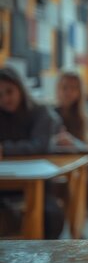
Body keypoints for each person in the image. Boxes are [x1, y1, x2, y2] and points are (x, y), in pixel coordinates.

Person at [0, 67, 65, 239]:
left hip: (39, 185)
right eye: (0, 95)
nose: (5, 99)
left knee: (50, 217)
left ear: (20, 88)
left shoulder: (40, 112)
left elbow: (39, 146)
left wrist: (3, 149)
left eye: (9, 91)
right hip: (4, 185)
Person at [54, 71, 88, 215]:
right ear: (58, 89)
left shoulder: (84, 116)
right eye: (64, 88)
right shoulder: (51, 114)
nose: (68, 92)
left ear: (80, 92)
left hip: (80, 167)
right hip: (57, 166)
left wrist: (72, 142)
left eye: (73, 88)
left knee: (85, 181)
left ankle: (80, 224)